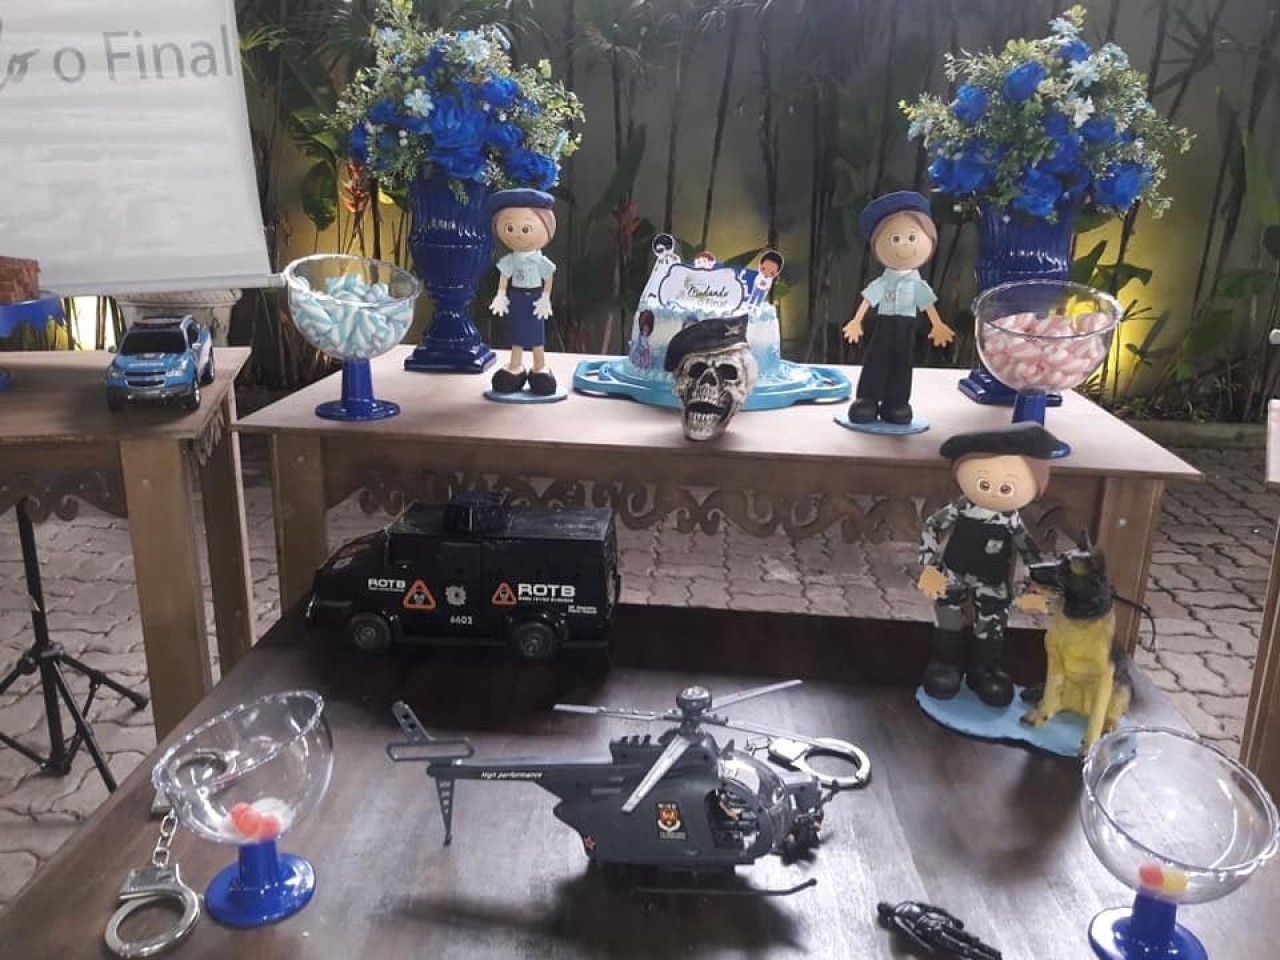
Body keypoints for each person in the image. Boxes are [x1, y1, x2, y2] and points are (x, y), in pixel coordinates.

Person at [917, 423, 1055, 707]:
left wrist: (1035, 586)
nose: (993, 493)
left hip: (993, 580)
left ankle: (985, 670)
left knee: (993, 622)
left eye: (1006, 487)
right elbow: (932, 526)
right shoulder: (962, 507)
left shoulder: (1012, 520)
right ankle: (945, 663)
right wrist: (929, 567)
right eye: (984, 484)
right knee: (948, 616)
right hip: (952, 573)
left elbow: (1029, 552)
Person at [842, 192, 954, 426]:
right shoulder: (884, 281)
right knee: (876, 360)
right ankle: (867, 399)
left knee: (903, 364)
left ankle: (897, 402)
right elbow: (869, 299)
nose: (904, 244)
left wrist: (938, 325)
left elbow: (927, 304)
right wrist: (856, 321)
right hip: (884, 325)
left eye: (912, 237)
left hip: (907, 327)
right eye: (895, 238)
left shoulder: (917, 283)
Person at [487, 189, 558, 396]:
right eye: (509, 228)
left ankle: (539, 366)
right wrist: (501, 295)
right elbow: (504, 276)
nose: (517, 234)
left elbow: (548, 277)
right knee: (516, 332)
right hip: (516, 297)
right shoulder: (511, 260)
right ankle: (515, 365)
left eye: (526, 228)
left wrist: (545, 297)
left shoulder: (539, 260)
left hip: (535, 298)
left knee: (536, 335)